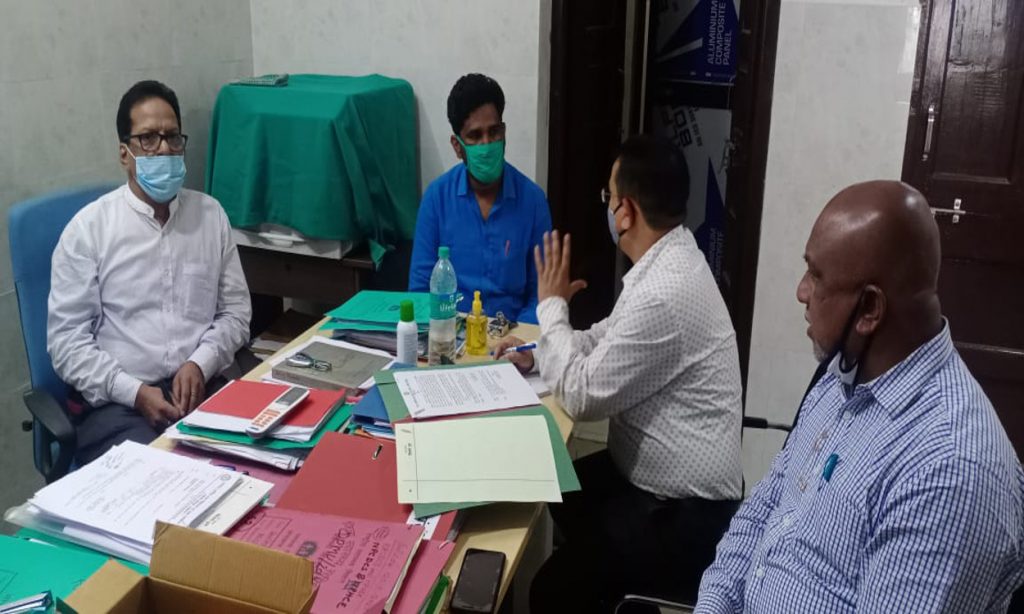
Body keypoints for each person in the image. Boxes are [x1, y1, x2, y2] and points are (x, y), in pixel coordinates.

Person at [696, 181, 1024, 613]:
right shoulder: (842, 378)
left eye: (816, 276)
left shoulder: (948, 469)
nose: (801, 292)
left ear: (869, 309)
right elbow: (765, 509)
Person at [495, 136, 744, 611]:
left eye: (608, 197)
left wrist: (551, 308)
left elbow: (582, 396)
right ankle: (607, 588)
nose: (607, 207)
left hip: (684, 517)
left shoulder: (664, 291)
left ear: (625, 211)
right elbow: (604, 337)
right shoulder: (671, 258)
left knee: (549, 591)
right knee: (559, 487)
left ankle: (609, 590)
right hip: (649, 483)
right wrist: (539, 352)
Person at [47, 80, 252, 465]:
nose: (164, 148)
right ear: (124, 153)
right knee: (168, 481)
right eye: (148, 138)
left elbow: (236, 312)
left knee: (262, 466)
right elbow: (67, 344)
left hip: (203, 386)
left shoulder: (210, 216)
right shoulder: (88, 230)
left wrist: (201, 362)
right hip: (121, 404)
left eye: (172, 137)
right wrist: (135, 392)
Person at [408, 73, 551, 324]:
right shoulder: (436, 199)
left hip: (514, 335)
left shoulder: (533, 202)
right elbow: (420, 291)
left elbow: (541, 295)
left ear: (504, 133)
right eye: (475, 136)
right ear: (457, 146)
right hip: (451, 334)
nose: (487, 144)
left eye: (494, 132)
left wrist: (518, 338)